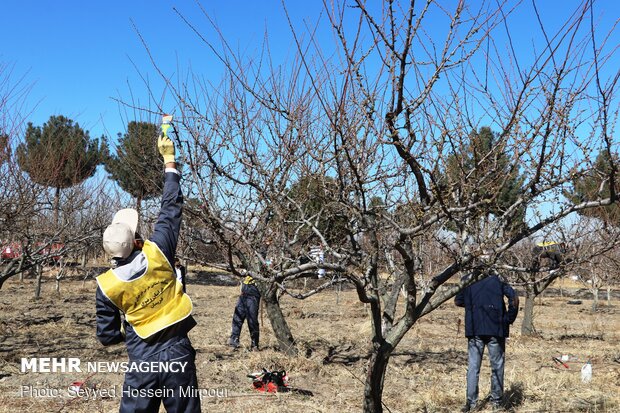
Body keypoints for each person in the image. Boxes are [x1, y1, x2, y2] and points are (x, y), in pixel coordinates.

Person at [95, 133, 201, 413]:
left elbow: (106, 336)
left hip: (141, 359)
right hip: (177, 351)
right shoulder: (159, 251)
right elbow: (171, 209)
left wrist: (126, 333)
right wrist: (169, 162)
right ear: (137, 239)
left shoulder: (107, 286)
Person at [455, 271, 519, 412]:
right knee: (497, 366)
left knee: (473, 367)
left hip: (474, 329)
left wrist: (475, 305)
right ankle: (496, 402)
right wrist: (508, 319)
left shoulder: (467, 279)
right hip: (496, 328)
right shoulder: (499, 278)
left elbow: (458, 301)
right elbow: (514, 298)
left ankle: (471, 404)